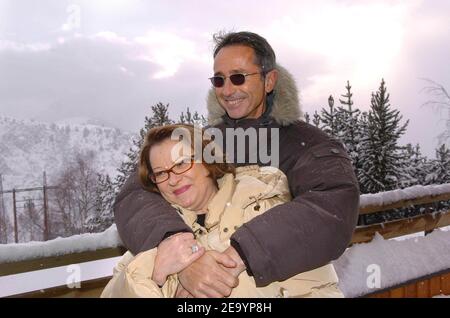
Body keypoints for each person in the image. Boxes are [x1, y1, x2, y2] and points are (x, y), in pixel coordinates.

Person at [114, 31, 360, 297]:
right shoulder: (205, 141)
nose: (228, 90)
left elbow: (332, 207)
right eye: (219, 80)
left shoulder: (308, 144)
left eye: (238, 77)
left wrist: (240, 254)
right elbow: (135, 194)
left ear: (269, 80)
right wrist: (179, 253)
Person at [101, 124, 343, 298]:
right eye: (161, 173)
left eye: (182, 163)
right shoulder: (158, 237)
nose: (172, 179)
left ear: (207, 161)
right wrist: (154, 272)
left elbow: (321, 287)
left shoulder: (265, 204)